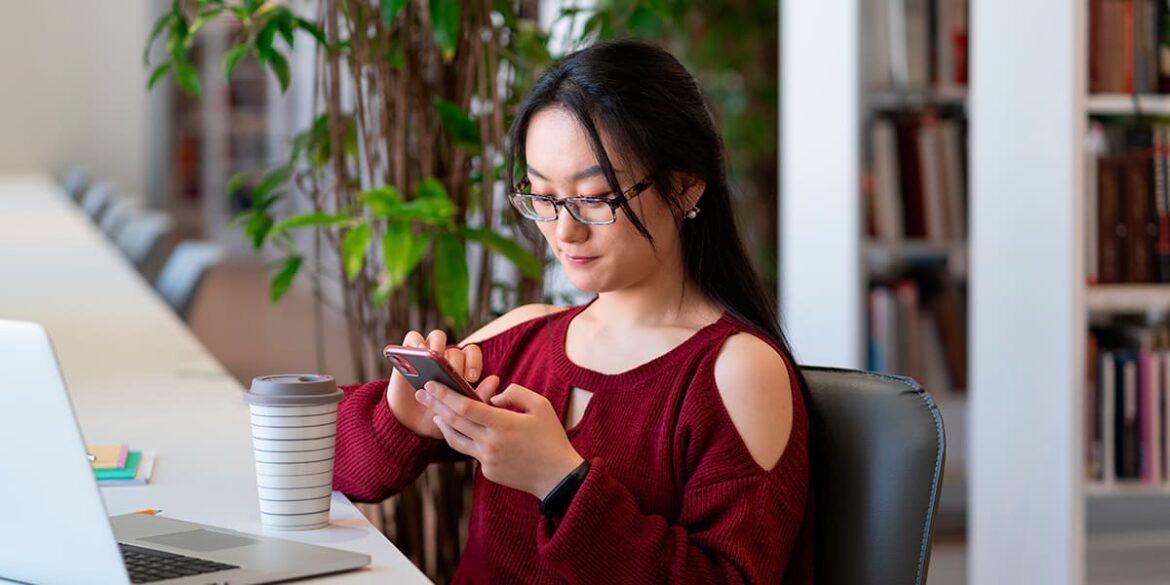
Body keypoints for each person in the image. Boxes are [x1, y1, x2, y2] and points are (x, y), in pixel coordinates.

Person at [333, 39, 814, 584]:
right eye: (542, 196)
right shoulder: (527, 336)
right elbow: (325, 463)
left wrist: (560, 483)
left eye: (596, 198)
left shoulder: (735, 371)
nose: (563, 231)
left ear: (684, 189)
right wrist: (400, 421)